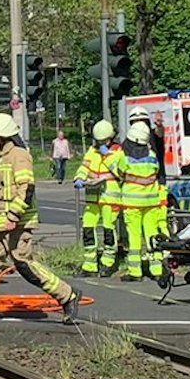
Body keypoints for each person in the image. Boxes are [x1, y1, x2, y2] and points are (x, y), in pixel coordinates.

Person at [0, 113, 78, 325]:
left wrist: (13, 215)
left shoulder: (19, 156)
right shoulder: (2, 158)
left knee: (25, 265)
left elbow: (27, 188)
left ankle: (67, 295)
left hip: (17, 223)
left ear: (4, 136)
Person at [111, 124, 167, 281]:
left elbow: (119, 172)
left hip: (132, 203)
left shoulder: (124, 156)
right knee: (152, 235)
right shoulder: (151, 155)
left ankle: (135, 272)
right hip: (151, 203)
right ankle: (156, 270)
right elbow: (155, 171)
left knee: (134, 237)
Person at [76, 120, 121, 276]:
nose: (100, 143)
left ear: (110, 138)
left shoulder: (117, 151)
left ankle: (108, 263)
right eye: (98, 141)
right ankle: (90, 265)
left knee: (109, 230)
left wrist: (107, 155)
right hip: (92, 196)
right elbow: (85, 166)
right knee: (88, 228)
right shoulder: (92, 150)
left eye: (103, 141)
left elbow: (120, 172)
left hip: (109, 197)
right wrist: (79, 178)